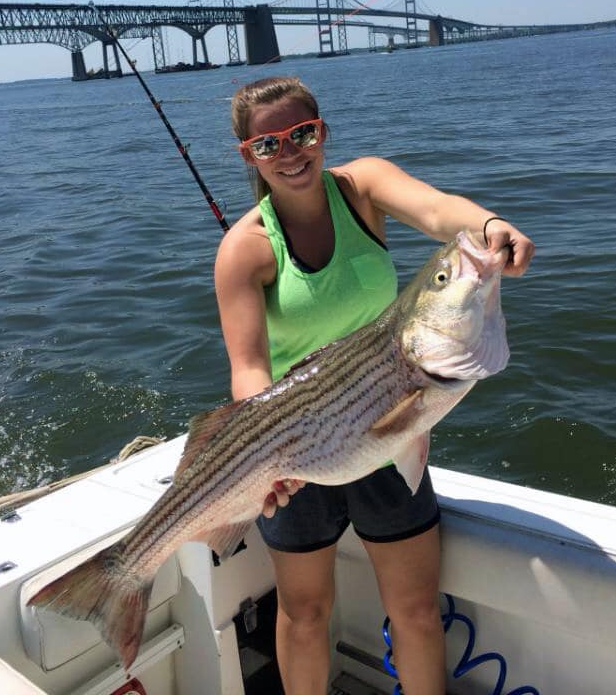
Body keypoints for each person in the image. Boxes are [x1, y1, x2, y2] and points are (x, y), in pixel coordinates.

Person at [214, 76, 534, 695]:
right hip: (299, 435)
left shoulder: (362, 189)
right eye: (269, 144)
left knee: (415, 611)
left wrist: (491, 226)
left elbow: (441, 213)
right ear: (248, 156)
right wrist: (267, 464)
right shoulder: (243, 250)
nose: (291, 152)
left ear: (322, 132)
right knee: (304, 614)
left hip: (391, 417)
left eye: (302, 133)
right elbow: (249, 367)